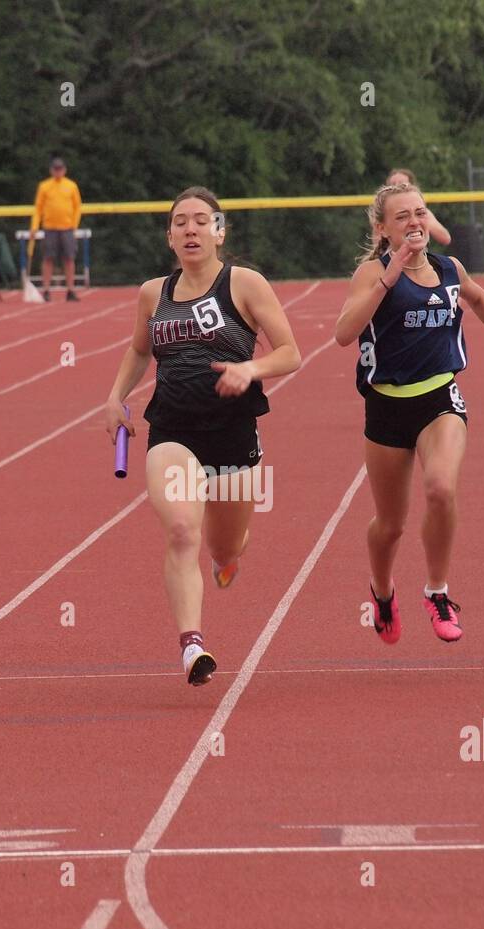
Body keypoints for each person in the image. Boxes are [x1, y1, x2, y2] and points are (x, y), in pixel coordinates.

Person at [103, 187, 301, 685]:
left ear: (219, 231)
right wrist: (115, 396)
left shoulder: (244, 283)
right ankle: (192, 646)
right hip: (172, 430)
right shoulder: (154, 293)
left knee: (224, 547)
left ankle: (229, 556)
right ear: (169, 236)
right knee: (181, 531)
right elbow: (137, 350)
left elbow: (290, 353)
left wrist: (250, 369)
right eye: (180, 223)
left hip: (233, 434)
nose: (190, 229)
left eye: (200, 221)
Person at [333, 182, 484, 647]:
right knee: (391, 525)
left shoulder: (449, 268)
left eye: (419, 213)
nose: (414, 222)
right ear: (382, 228)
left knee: (441, 487)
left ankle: (437, 592)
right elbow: (344, 333)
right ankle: (382, 594)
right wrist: (390, 276)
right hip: (385, 407)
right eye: (401, 216)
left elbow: (479, 298)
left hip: (440, 398)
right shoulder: (372, 272)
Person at [30, 156, 82, 301]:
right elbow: (38, 208)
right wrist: (34, 226)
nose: (58, 171)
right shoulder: (44, 186)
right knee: (48, 258)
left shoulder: (71, 186)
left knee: (69, 258)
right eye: (55, 169)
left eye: (60, 169)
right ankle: (46, 290)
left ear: (64, 170)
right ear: (51, 170)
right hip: (50, 228)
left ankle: (70, 290)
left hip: (67, 228)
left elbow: (78, 206)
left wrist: (74, 224)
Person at [386, 167, 451, 245]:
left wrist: (424, 220)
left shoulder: (424, 214)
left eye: (402, 184)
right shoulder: (383, 215)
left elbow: (445, 239)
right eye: (392, 184)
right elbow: (377, 244)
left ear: (412, 187)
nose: (397, 187)